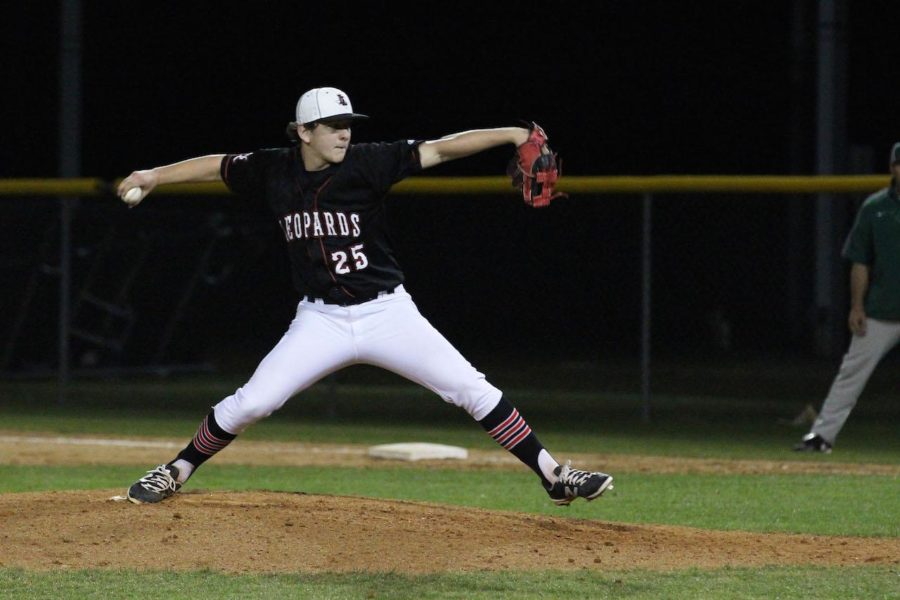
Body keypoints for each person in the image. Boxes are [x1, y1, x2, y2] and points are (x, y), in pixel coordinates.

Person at [119, 86, 613, 505]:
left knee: (470, 388)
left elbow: (442, 148)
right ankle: (177, 470)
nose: (344, 132)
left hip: (387, 312)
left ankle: (553, 475)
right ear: (304, 131)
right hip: (320, 320)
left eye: (347, 123)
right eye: (332, 125)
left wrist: (513, 134)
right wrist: (154, 176)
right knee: (251, 404)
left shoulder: (369, 162)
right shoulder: (272, 169)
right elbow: (217, 165)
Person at [794, 142, 900, 453]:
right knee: (850, 374)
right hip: (881, 309)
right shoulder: (874, 207)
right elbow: (860, 262)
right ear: (892, 168)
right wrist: (856, 305)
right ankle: (821, 437)